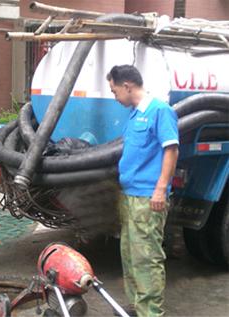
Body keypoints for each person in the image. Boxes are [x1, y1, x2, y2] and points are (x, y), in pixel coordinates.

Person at [106, 65, 179, 317]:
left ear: (127, 86)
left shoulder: (159, 111)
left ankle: (151, 312)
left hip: (147, 199)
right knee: (129, 256)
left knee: (147, 259)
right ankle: (137, 307)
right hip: (129, 196)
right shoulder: (135, 115)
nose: (114, 96)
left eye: (114, 90)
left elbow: (171, 149)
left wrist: (160, 189)